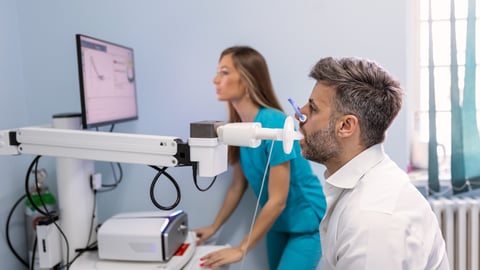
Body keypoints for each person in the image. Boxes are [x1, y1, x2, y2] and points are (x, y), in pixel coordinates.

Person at [296, 56, 449, 269]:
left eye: (313, 109)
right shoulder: (363, 184)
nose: (300, 113)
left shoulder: (372, 221)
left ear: (346, 126)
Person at [194, 46, 327, 270]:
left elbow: (278, 200)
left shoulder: (273, 124)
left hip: (306, 223)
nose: (215, 80)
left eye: (224, 72)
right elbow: (237, 185)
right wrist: (214, 226)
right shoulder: (238, 128)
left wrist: (240, 249)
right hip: (276, 223)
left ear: (247, 80)